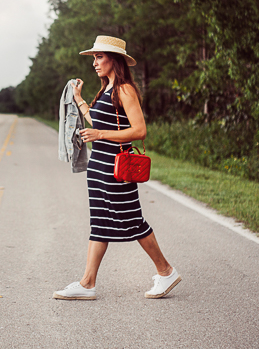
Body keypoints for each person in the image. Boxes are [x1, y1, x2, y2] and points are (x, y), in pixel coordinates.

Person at [53, 35, 181, 300]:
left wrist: (99, 135)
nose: (95, 63)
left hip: (116, 168)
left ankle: (166, 271)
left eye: (99, 57)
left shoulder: (124, 89)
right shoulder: (105, 91)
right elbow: (95, 119)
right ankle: (87, 283)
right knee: (99, 222)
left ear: (115, 60)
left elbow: (139, 131)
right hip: (98, 167)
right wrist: (78, 99)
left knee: (132, 220)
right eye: (94, 58)